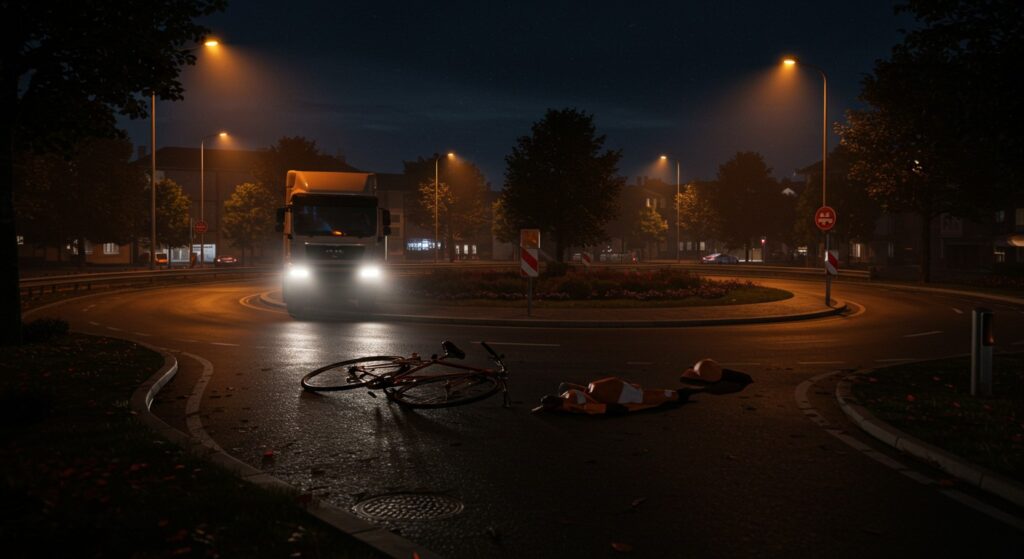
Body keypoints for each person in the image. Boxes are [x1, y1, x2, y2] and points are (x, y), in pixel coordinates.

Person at [533, 358, 752, 415]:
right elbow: (593, 408)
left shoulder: (577, 393)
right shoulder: (573, 400)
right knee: (662, 396)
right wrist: (617, 408)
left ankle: (687, 392)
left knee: (660, 395)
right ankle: (689, 393)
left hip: (625, 392)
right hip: (625, 396)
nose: (570, 385)